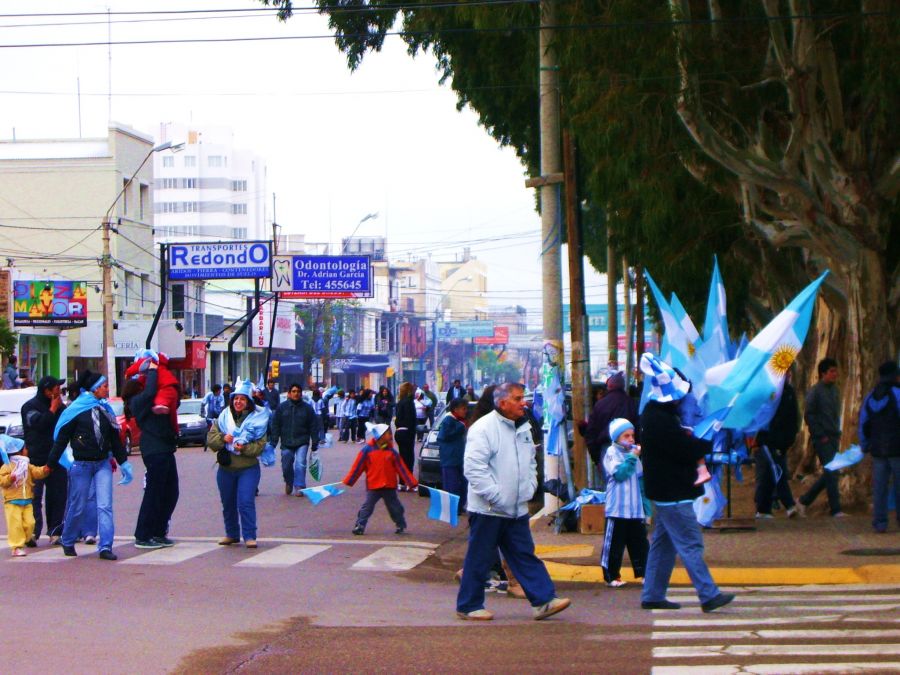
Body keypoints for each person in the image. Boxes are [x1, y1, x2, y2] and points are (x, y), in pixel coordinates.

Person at [457, 382, 571, 622]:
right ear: (502, 403)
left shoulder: (523, 427)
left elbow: (530, 461)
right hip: (489, 509)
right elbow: (474, 469)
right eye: (518, 399)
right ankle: (469, 605)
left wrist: (528, 489)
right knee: (479, 557)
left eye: (523, 398)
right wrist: (497, 496)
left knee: (524, 555)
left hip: (516, 509)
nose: (524, 403)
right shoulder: (484, 429)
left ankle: (544, 600)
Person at [638, 353, 734, 612]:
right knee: (690, 542)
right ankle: (708, 594)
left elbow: (678, 445)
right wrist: (704, 443)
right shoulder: (661, 419)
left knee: (664, 543)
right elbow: (683, 449)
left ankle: (653, 594)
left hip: (664, 490)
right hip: (673, 491)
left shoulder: (653, 414)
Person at [48, 370, 132, 560]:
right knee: (77, 505)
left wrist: (124, 463)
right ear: (94, 389)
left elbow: (115, 439)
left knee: (105, 505)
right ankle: (68, 539)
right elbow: (61, 439)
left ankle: (105, 546)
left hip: (102, 464)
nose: (106, 389)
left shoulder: (105, 410)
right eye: (103, 386)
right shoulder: (76, 410)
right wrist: (51, 463)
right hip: (81, 465)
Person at [207, 380, 268, 548]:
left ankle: (249, 535)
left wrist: (245, 448)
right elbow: (211, 440)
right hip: (226, 469)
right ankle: (231, 534)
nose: (238, 402)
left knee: (245, 501)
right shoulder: (223, 417)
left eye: (242, 399)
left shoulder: (258, 420)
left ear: (248, 401)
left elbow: (260, 446)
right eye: (236, 399)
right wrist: (222, 438)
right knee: (228, 502)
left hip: (247, 469)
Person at [124, 363, 180, 549]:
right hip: (154, 450)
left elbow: (171, 400)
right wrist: (154, 371)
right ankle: (143, 535)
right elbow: (148, 393)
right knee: (154, 493)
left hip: (164, 448)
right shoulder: (137, 401)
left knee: (171, 492)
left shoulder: (152, 399)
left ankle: (158, 531)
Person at [342, 423, 418, 535]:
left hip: (389, 486)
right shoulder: (367, 450)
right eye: (388, 433)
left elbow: (401, 468)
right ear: (381, 436)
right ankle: (360, 525)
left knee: (395, 508)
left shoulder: (392, 452)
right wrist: (350, 480)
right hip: (373, 485)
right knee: (367, 507)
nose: (390, 436)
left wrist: (411, 482)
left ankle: (400, 524)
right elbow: (358, 466)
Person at [600, 418, 649, 588]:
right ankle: (611, 575)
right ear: (616, 438)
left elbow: (641, 483)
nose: (631, 439)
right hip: (617, 509)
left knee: (640, 543)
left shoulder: (635, 457)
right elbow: (620, 474)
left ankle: (644, 573)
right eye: (626, 436)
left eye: (632, 435)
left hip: (635, 509)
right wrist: (632, 457)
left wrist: (646, 509)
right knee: (614, 544)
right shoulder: (612, 452)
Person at [21, 375, 67, 546]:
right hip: (35, 459)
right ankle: (33, 531)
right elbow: (39, 424)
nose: (59, 391)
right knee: (34, 497)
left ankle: (55, 531)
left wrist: (60, 408)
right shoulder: (29, 407)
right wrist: (52, 410)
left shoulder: (59, 407)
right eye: (56, 388)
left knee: (58, 495)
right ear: (47, 391)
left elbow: (66, 425)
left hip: (56, 458)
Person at [797, 358, 845, 517]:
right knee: (831, 471)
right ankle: (836, 509)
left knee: (831, 473)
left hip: (833, 437)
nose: (835, 374)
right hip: (822, 438)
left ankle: (804, 500)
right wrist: (820, 435)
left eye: (835, 371)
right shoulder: (815, 391)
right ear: (823, 373)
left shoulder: (835, 391)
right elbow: (809, 415)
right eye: (831, 371)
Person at [752, 371, 801, 519]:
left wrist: (790, 439)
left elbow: (794, 417)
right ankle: (789, 504)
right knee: (777, 470)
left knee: (769, 474)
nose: (787, 376)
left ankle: (763, 509)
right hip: (767, 439)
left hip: (782, 440)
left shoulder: (789, 392)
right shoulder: (768, 392)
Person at [859, 361, 899, 533]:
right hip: (897, 449)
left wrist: (864, 444)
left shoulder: (871, 396)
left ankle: (880, 522)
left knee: (879, 487)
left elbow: (863, 422)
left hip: (877, 450)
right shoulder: (897, 394)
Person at [0, 435, 50, 557]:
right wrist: (10, 478)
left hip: (27, 500)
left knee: (30, 523)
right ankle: (16, 546)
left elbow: (36, 472)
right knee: (15, 525)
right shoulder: (7, 466)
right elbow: (2, 481)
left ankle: (27, 538)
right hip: (12, 501)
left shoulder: (27, 465)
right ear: (19, 451)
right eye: (25, 448)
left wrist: (45, 470)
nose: (27, 451)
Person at [270, 383, 320, 497]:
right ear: (289, 394)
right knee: (286, 464)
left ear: (301, 394)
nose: (296, 393)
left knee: (300, 463)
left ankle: (299, 486)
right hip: (286, 442)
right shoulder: (281, 408)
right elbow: (275, 425)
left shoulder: (307, 408)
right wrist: (273, 441)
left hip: (302, 440)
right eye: (293, 391)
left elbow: (313, 425)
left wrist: (315, 441)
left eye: (298, 391)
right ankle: (289, 481)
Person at [583, 371, 639, 471]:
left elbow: (591, 433)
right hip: (628, 449)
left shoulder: (600, 405)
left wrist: (596, 459)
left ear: (609, 386)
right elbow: (638, 430)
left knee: (611, 483)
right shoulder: (631, 403)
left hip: (605, 450)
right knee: (630, 481)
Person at [438, 397, 469, 513]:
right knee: (452, 485)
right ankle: (452, 508)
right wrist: (460, 427)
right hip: (450, 459)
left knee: (463, 484)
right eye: (463, 408)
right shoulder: (449, 420)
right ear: (455, 409)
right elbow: (443, 437)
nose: (465, 411)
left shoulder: (460, 421)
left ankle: (459, 506)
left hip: (459, 458)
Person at [393, 382, 417, 491]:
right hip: (407, 432)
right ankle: (409, 482)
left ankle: (402, 482)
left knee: (402, 458)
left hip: (399, 432)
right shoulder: (409, 402)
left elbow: (397, 419)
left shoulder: (400, 402)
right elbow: (410, 420)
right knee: (409, 458)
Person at [201, 384, 225, 452]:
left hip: (218, 414)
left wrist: (222, 415)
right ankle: (206, 441)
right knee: (209, 429)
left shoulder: (221, 396)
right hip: (210, 415)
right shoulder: (209, 395)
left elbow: (222, 406)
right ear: (216, 391)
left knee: (219, 429)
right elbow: (203, 403)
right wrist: (202, 413)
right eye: (219, 390)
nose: (220, 392)